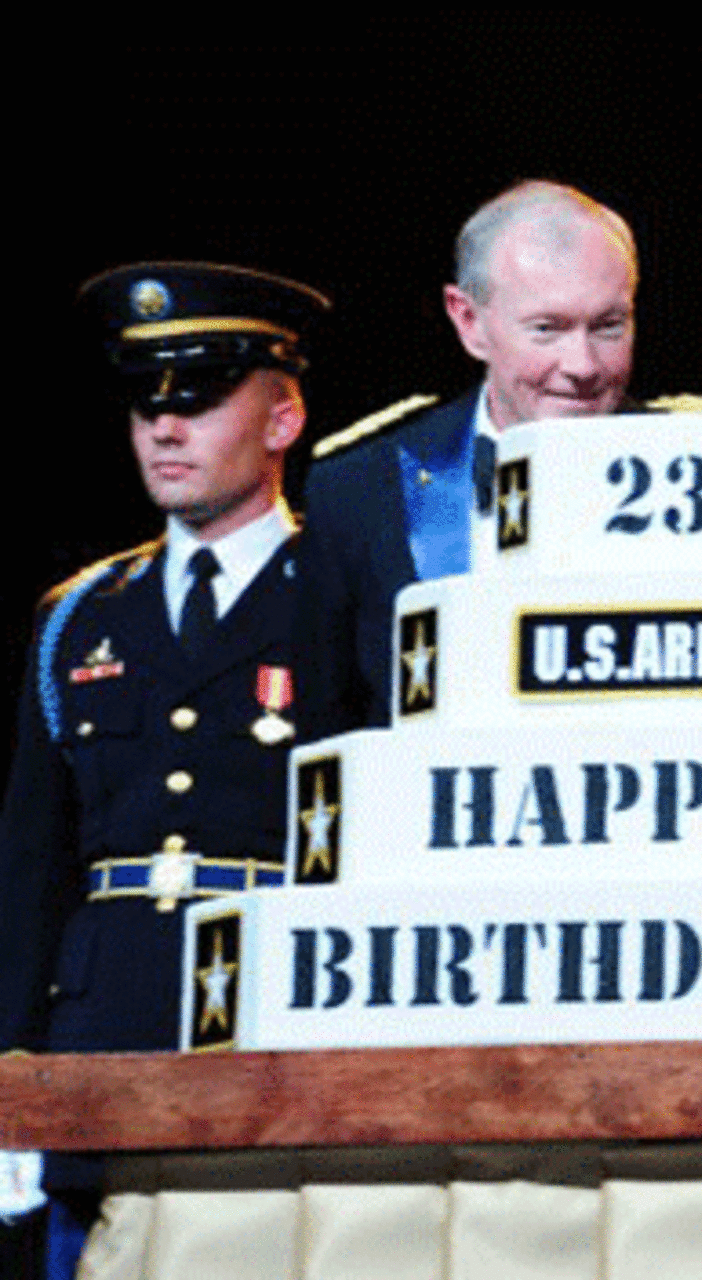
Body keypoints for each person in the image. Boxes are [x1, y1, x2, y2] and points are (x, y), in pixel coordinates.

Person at [0, 261, 328, 1274]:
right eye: (147, 401)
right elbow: (31, 867)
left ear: (281, 420)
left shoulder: (348, 595)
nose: (165, 426)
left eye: (201, 397)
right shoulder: (82, 615)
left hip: (284, 1033)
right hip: (102, 1044)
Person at [297, 180, 639, 739]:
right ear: (469, 321)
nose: (582, 365)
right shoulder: (359, 488)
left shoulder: (700, 459)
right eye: (547, 330)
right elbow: (327, 735)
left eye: (608, 326)